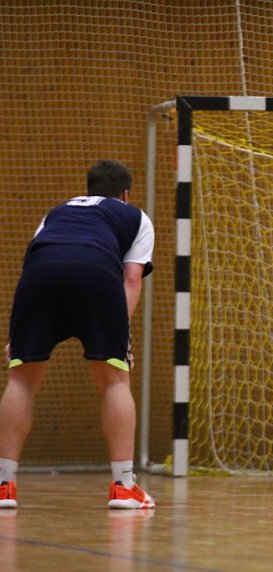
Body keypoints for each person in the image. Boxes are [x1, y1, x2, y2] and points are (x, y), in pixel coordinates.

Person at [0, 160, 156, 510]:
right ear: (126, 194)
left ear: (88, 190)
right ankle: (123, 486)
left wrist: (20, 333)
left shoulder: (57, 212)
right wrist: (122, 335)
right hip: (97, 272)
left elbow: (34, 262)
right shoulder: (136, 218)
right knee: (115, 381)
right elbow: (131, 280)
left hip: (40, 276)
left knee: (21, 380)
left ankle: (3, 485)